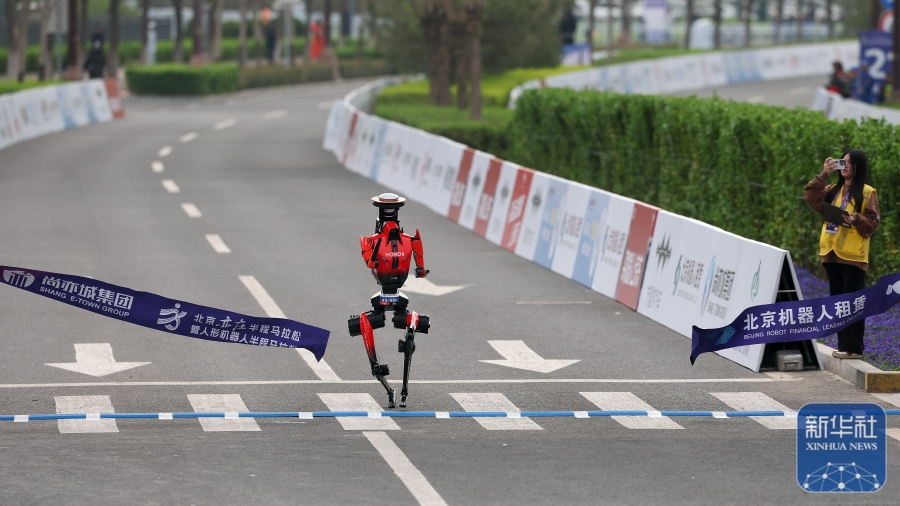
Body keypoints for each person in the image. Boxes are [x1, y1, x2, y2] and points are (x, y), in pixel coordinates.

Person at [347, 193, 430, 408]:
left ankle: (379, 371)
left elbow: (369, 261)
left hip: (381, 295)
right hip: (400, 296)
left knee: (364, 321)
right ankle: (403, 391)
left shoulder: (370, 241)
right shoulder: (411, 240)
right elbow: (421, 270)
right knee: (410, 323)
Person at [803, 150, 881, 359]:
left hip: (853, 255)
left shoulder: (867, 192)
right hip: (831, 252)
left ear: (858, 166)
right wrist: (824, 173)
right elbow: (811, 196)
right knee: (839, 303)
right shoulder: (832, 189)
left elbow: (873, 222)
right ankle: (844, 347)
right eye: (842, 162)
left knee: (853, 302)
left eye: (849, 163)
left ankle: (853, 349)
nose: (844, 166)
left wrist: (856, 219)